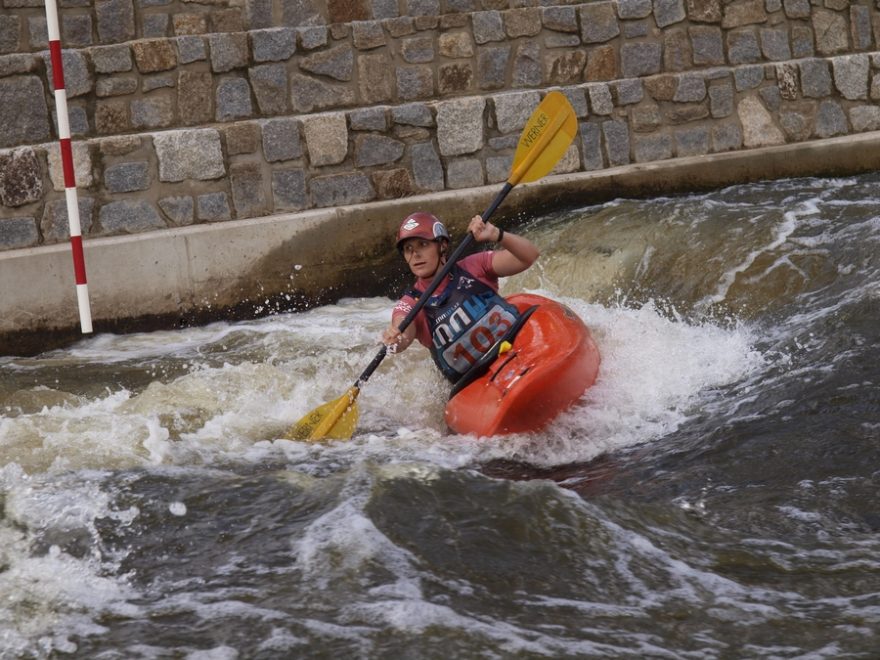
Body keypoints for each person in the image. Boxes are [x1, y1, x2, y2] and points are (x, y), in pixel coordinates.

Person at [381, 211, 540, 383]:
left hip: (515, 348)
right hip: (474, 383)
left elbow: (529, 256)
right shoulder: (412, 303)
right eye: (408, 249)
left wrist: (496, 234)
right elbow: (403, 331)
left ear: (442, 245)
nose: (415, 255)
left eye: (423, 244)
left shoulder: (473, 267)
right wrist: (397, 338)